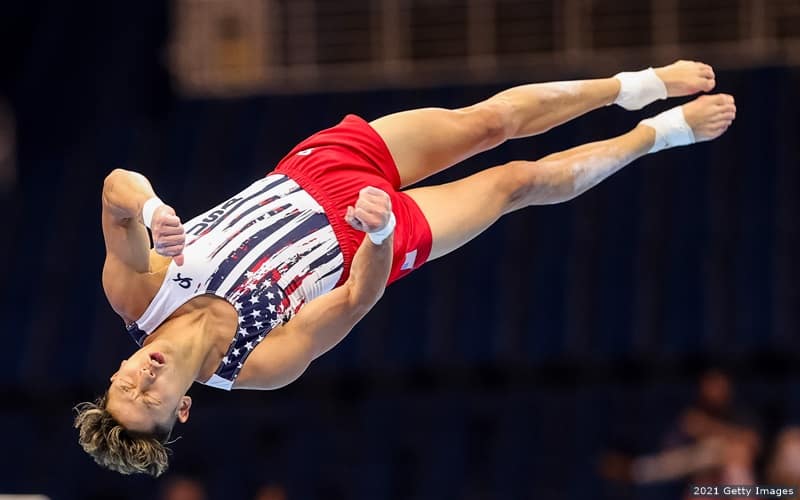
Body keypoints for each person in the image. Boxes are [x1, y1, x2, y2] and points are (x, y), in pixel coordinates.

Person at [75, 60, 736, 476]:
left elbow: (115, 187)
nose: (143, 380)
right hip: (368, 238)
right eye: (150, 401)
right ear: (183, 411)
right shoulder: (255, 367)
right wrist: (382, 232)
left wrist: (154, 208)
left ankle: (636, 86)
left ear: (119, 369)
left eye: (125, 384)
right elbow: (355, 302)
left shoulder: (138, 290)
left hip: (316, 168)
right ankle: (661, 132)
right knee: (513, 183)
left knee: (491, 122)